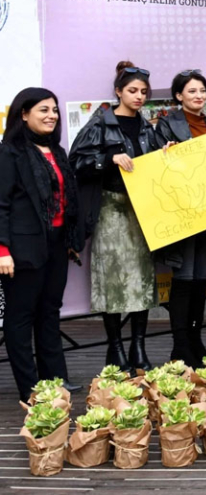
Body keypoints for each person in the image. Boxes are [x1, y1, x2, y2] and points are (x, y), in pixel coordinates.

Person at [69, 62, 159, 371]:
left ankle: (138, 346)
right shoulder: (100, 123)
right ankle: (115, 347)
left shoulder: (147, 127)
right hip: (110, 207)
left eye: (144, 92)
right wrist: (109, 159)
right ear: (118, 91)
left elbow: (158, 166)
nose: (139, 97)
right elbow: (76, 162)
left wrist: (168, 151)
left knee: (143, 279)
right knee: (111, 280)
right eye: (132, 91)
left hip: (142, 210)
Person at [0, 87, 83, 402]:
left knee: (50, 311)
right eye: (43, 110)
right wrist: (2, 250)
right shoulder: (9, 152)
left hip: (57, 243)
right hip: (21, 248)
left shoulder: (56, 150)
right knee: (20, 317)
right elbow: (1, 205)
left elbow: (67, 200)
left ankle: (55, 379)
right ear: (24, 114)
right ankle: (30, 387)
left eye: (54, 110)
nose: (51, 116)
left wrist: (71, 240)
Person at [154, 69, 206, 368]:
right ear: (179, 96)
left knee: (199, 279)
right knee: (182, 279)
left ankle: (196, 342)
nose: (198, 96)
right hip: (182, 213)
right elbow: (156, 167)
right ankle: (179, 347)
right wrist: (164, 154)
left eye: (202, 91)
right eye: (192, 91)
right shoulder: (167, 125)